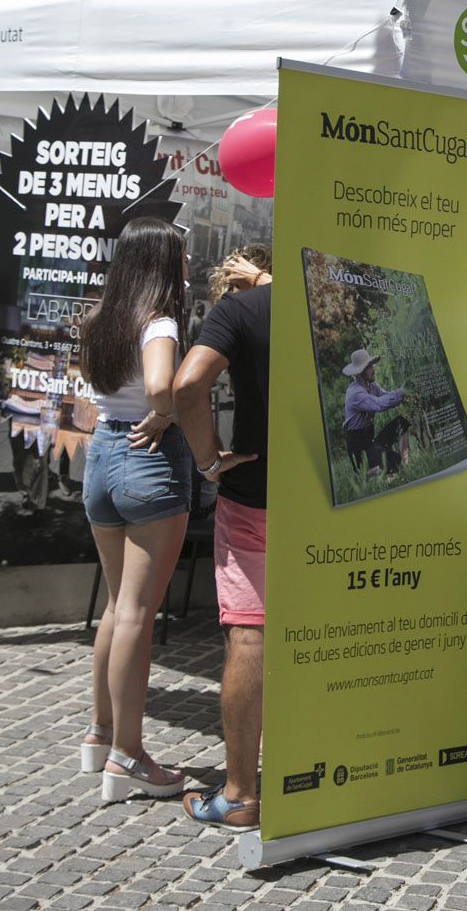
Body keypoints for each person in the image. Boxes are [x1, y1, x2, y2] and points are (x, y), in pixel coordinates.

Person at [77, 217, 192, 803]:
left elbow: (92, 385)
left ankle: (100, 734)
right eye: (181, 256)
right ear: (163, 263)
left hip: (101, 456)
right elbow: (158, 385)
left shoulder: (101, 317)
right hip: (147, 459)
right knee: (138, 616)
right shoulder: (160, 320)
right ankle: (127, 756)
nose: (187, 266)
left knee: (118, 605)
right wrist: (169, 412)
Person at [173, 255, 271, 832]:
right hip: (335, 498)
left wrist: (208, 460)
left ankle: (240, 794)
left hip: (256, 493)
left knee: (250, 631)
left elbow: (186, 384)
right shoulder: (334, 296)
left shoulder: (239, 308)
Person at [342, 349, 407, 476]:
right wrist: (401, 393)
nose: (374, 369)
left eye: (372, 365)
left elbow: (387, 396)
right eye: (369, 366)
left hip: (370, 443)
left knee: (401, 423)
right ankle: (363, 473)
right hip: (359, 452)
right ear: (360, 372)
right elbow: (379, 404)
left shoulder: (371, 386)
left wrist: (403, 394)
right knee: (394, 460)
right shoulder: (356, 393)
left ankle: (405, 464)